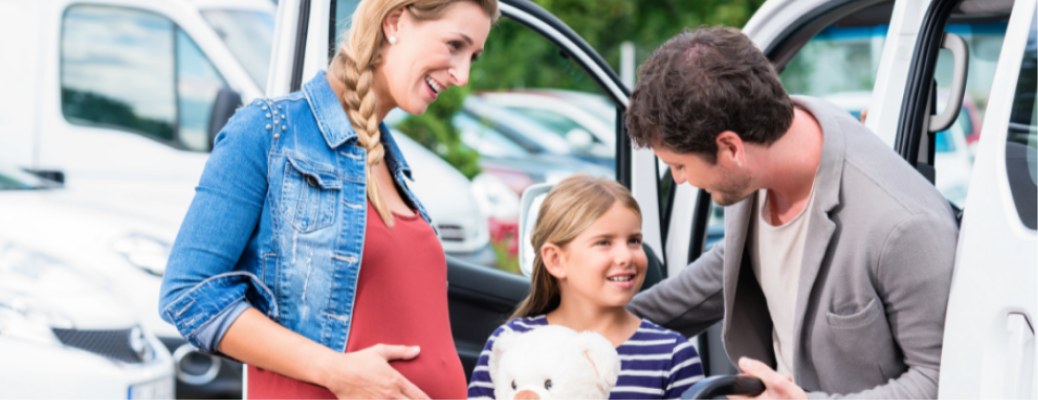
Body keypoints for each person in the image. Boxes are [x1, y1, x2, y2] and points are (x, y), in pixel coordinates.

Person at [157, 0, 497, 398]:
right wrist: (338, 372)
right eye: (455, 45)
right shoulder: (269, 133)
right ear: (395, 23)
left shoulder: (392, 165)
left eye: (473, 56)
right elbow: (189, 295)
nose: (463, 75)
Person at [624, 27, 958, 399]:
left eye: (679, 166)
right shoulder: (763, 146)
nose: (678, 179)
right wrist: (590, 327)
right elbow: (735, 261)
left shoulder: (902, 224)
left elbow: (942, 378)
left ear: (731, 148)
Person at [468, 175, 705, 399]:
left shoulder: (673, 355)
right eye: (604, 242)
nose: (626, 256)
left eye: (634, 240)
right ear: (556, 260)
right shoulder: (511, 343)